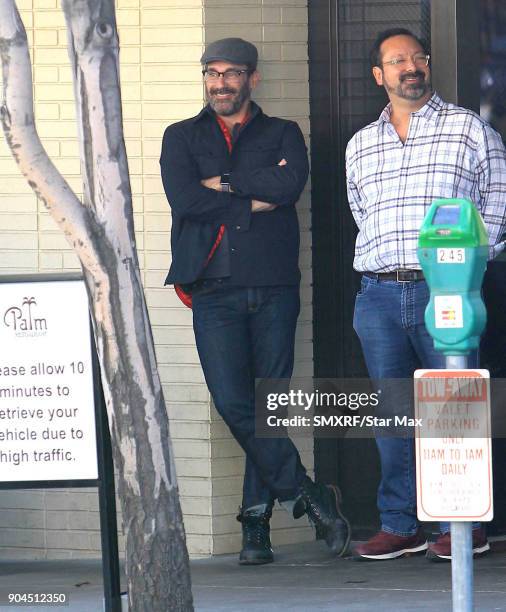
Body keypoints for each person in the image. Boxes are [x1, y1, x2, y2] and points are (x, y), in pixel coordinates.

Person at [160, 37, 350, 565]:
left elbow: (289, 186)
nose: (220, 83)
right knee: (234, 404)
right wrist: (250, 201)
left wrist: (223, 184)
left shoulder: (283, 132)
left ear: (252, 79)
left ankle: (255, 531)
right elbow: (185, 198)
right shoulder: (180, 137)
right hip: (212, 291)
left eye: (232, 73)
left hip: (272, 287)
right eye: (212, 73)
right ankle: (309, 496)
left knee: (265, 409)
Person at [346, 27, 506, 561]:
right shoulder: (361, 144)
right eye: (397, 61)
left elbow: (497, 209)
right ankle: (400, 521)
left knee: (453, 410)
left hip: (447, 290)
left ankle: (459, 522)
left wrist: (463, 271)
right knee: (392, 415)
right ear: (379, 75)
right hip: (378, 295)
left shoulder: (468, 129)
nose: (410, 67)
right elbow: (362, 216)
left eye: (418, 58)